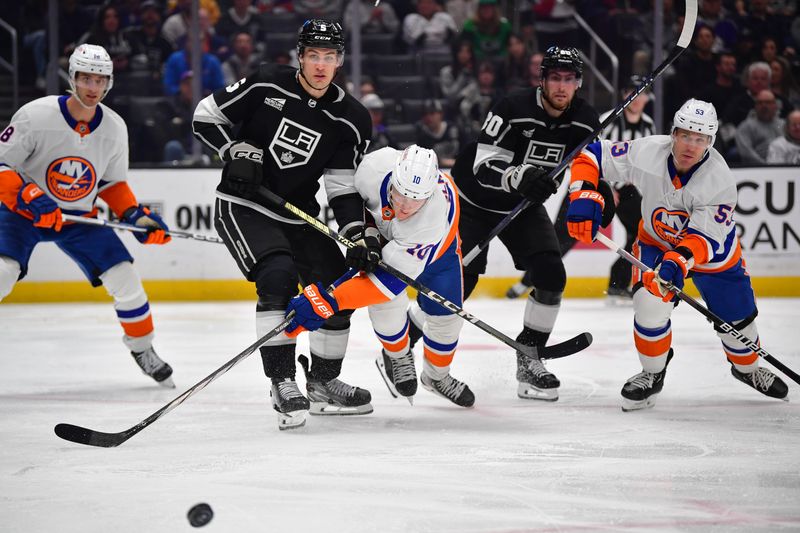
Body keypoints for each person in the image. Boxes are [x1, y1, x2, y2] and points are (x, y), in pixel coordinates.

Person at [191, 20, 373, 431]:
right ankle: (282, 380)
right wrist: (230, 148)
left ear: (340, 61)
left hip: (297, 211)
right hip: (243, 203)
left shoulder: (351, 118)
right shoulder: (266, 83)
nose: (321, 65)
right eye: (313, 56)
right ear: (300, 56)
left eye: (329, 57)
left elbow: (342, 188)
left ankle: (323, 383)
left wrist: (357, 233)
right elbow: (205, 116)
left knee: (339, 284)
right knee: (277, 275)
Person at [565, 98, 789, 410]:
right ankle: (653, 373)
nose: (690, 146)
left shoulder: (719, 180)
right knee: (648, 302)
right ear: (673, 133)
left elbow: (702, 240)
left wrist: (676, 264)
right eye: (685, 135)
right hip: (656, 243)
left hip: (714, 257)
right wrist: (582, 192)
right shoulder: (649, 152)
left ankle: (748, 369)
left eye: (700, 139)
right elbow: (591, 152)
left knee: (740, 326)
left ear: (710, 142)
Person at [0, 44, 174, 387]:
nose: (93, 87)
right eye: (86, 78)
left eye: (100, 80)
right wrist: (29, 194)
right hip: (22, 213)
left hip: (79, 219)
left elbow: (112, 184)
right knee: (3, 272)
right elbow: (2, 164)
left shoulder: (114, 127)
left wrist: (137, 217)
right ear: (72, 78)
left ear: (109, 83)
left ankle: (143, 349)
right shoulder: (36, 115)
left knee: (125, 278)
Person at [448, 46, 600, 402]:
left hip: (522, 207)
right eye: (555, 78)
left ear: (578, 83)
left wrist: (596, 195)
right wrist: (519, 176)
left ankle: (529, 360)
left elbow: (590, 166)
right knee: (458, 283)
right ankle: (405, 347)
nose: (561, 87)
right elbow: (482, 165)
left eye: (569, 79)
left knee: (551, 275)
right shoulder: (511, 107)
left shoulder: (587, 120)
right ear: (542, 79)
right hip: (473, 203)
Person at [284, 146, 475, 407]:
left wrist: (328, 302)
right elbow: (352, 199)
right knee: (387, 306)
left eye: (416, 198)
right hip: (391, 244)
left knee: (447, 320)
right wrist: (365, 234)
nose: (406, 205)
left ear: (430, 194)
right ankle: (397, 355)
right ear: (394, 176)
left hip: (439, 255)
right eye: (401, 193)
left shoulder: (431, 217)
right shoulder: (374, 167)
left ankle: (437, 376)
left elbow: (385, 285)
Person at [506, 75, 656, 301]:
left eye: (641, 92)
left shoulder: (648, 125)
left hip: (625, 189)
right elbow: (586, 157)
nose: (636, 98)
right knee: (562, 238)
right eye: (631, 92)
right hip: (590, 183)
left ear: (647, 98)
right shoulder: (607, 121)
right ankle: (527, 281)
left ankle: (617, 283)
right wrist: (604, 186)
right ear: (623, 95)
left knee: (642, 232)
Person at [734, 89, 784, 164]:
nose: (764, 106)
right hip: (757, 169)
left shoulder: (784, 125)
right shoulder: (745, 126)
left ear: (775, 105)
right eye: (760, 103)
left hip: (785, 167)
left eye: (768, 102)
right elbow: (746, 153)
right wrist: (765, 166)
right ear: (755, 106)